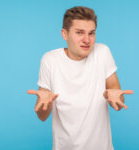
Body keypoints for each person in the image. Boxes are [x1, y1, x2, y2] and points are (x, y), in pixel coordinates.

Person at [27, 6, 133, 150]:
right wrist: (47, 104)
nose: (87, 40)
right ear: (65, 34)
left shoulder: (103, 52)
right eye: (79, 33)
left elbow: (119, 102)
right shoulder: (50, 60)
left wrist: (116, 98)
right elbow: (42, 116)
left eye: (91, 33)